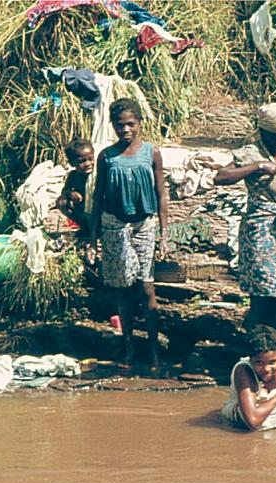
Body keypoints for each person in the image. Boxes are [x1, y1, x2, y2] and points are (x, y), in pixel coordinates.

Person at [214, 102, 276, 344]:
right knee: (264, 284)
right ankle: (259, 338)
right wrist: (256, 167)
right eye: (275, 137)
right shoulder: (251, 153)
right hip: (262, 228)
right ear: (263, 132)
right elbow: (220, 177)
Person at [89, 97, 169, 371]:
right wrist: (93, 239)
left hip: (144, 225)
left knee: (146, 288)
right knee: (122, 291)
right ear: (112, 125)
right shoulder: (107, 156)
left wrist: (164, 235)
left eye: (131, 124)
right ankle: (128, 347)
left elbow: (161, 194)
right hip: (114, 226)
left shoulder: (151, 152)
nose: (125, 130)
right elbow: (98, 198)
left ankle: (154, 351)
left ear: (140, 123)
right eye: (120, 125)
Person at [57, 138, 94, 237]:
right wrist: (70, 193)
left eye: (91, 159)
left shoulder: (97, 175)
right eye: (82, 161)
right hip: (83, 210)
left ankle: (96, 230)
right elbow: (64, 191)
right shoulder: (73, 176)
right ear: (72, 163)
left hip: (98, 211)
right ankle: (84, 227)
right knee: (61, 202)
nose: (88, 164)